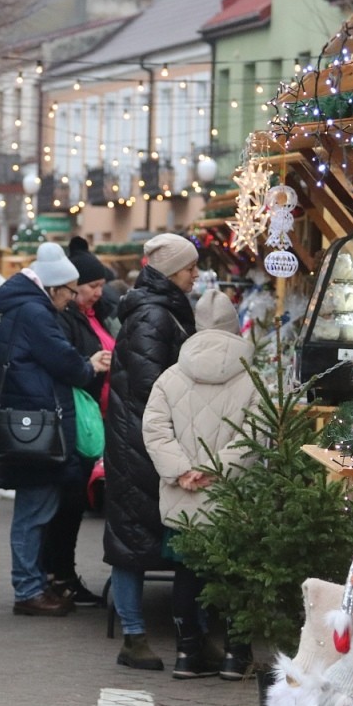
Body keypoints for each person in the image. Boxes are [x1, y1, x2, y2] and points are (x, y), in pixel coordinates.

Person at [143, 288, 257, 679]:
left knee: (187, 575)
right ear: (235, 326)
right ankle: (234, 656)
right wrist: (215, 470)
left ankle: (187, 655)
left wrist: (182, 471)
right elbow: (255, 436)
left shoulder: (170, 377)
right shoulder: (252, 378)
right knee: (235, 574)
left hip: (182, 497)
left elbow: (155, 431)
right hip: (233, 497)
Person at [0, 243, 111, 617]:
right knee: (34, 511)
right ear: (55, 288)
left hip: (34, 420)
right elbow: (64, 361)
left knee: (37, 508)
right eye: (70, 290)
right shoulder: (35, 312)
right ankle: (28, 589)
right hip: (38, 426)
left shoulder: (25, 307)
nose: (73, 298)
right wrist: (89, 365)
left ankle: (33, 583)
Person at [105, 233, 200, 669]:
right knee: (135, 539)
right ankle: (134, 636)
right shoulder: (154, 317)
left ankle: (157, 634)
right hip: (141, 443)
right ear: (169, 272)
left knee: (142, 536)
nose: (195, 274)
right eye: (188, 267)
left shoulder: (161, 311)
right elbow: (153, 389)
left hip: (142, 439)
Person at [40, 250, 113, 606]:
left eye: (101, 285)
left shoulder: (92, 315)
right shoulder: (64, 319)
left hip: (93, 420)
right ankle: (58, 575)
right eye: (91, 286)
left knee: (72, 506)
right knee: (66, 505)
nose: (98, 292)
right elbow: (67, 364)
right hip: (75, 421)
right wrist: (92, 365)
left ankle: (62, 574)